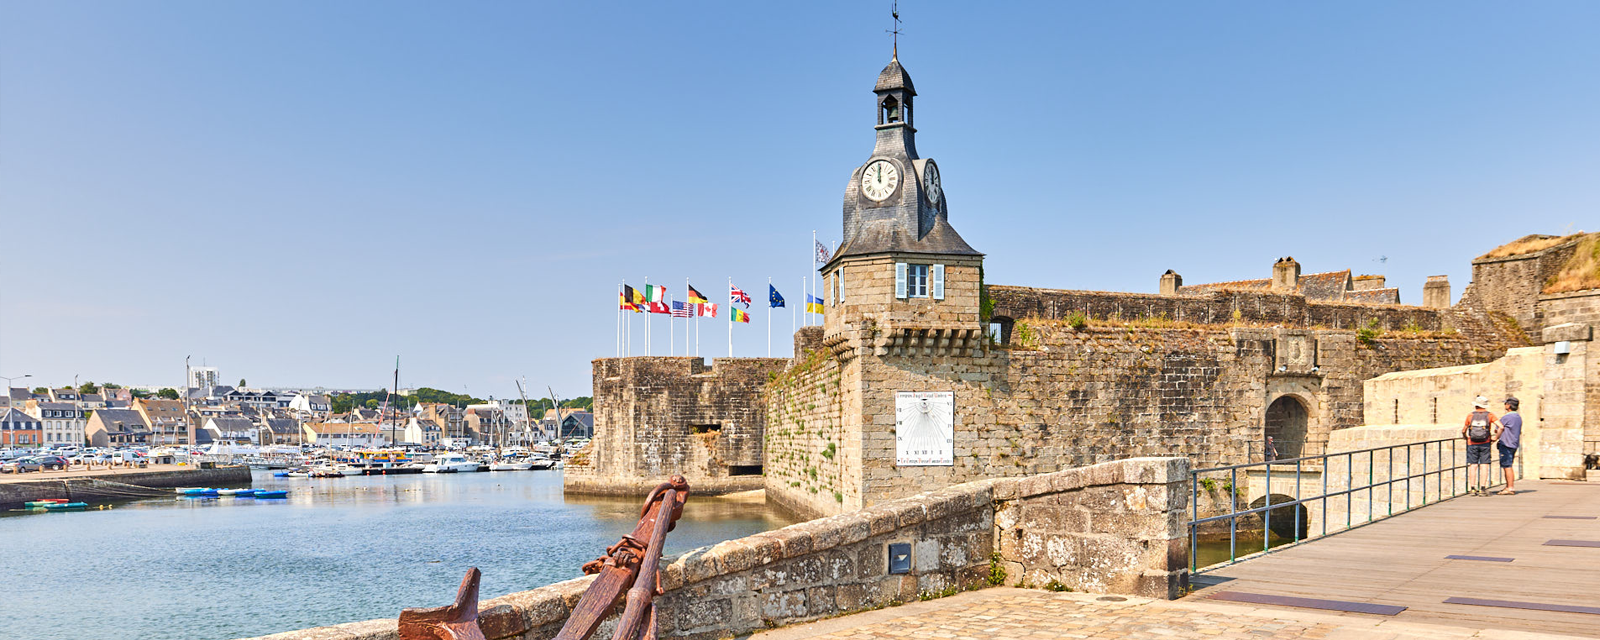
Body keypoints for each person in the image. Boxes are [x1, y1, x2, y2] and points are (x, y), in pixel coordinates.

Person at [1462, 396, 1499, 496]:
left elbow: (1464, 430)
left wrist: (1466, 437)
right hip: (1485, 443)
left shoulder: (1470, 415)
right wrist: (1496, 437)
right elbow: (1501, 427)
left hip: (1472, 443)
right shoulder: (1490, 415)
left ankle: (1473, 488)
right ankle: (1482, 488)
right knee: (1484, 465)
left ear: (1476, 405)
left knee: (1473, 465)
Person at [1495, 397, 1522, 495]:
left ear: (1509, 405)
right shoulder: (1518, 417)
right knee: (1508, 464)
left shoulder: (1507, 417)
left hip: (1506, 443)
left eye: (1505, 403)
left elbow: (1498, 428)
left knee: (1507, 466)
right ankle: (1508, 486)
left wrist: (1495, 437)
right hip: (1514, 443)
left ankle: (1510, 487)